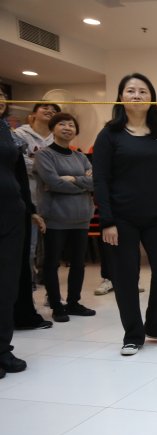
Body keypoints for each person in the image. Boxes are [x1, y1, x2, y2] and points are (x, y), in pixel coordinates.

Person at [92, 73, 157, 357]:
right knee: (125, 277)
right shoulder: (109, 135)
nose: (137, 95)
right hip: (121, 218)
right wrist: (107, 221)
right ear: (121, 97)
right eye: (131, 90)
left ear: (152, 98)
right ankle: (133, 334)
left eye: (143, 91)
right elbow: (100, 180)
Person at [33, 112, 96, 323]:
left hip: (81, 218)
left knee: (78, 263)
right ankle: (56, 305)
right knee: (51, 263)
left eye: (71, 125)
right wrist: (82, 182)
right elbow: (53, 182)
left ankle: (74, 302)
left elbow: (95, 182)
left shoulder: (81, 157)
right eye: (62, 124)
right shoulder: (44, 155)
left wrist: (72, 180)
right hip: (55, 218)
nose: (68, 128)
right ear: (53, 128)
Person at [14, 101, 60, 288]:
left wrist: (43, 168)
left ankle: (47, 282)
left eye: (54, 110)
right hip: (28, 195)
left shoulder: (57, 136)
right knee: (30, 244)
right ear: (33, 114)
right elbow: (18, 163)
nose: (50, 111)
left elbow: (63, 165)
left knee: (50, 246)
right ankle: (28, 282)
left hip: (52, 197)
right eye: (45, 108)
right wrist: (48, 168)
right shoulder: (19, 134)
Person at [0, 88, 29, 378]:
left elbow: (19, 173)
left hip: (11, 214)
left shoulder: (7, 131)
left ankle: (2, 349)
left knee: (7, 286)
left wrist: (29, 208)